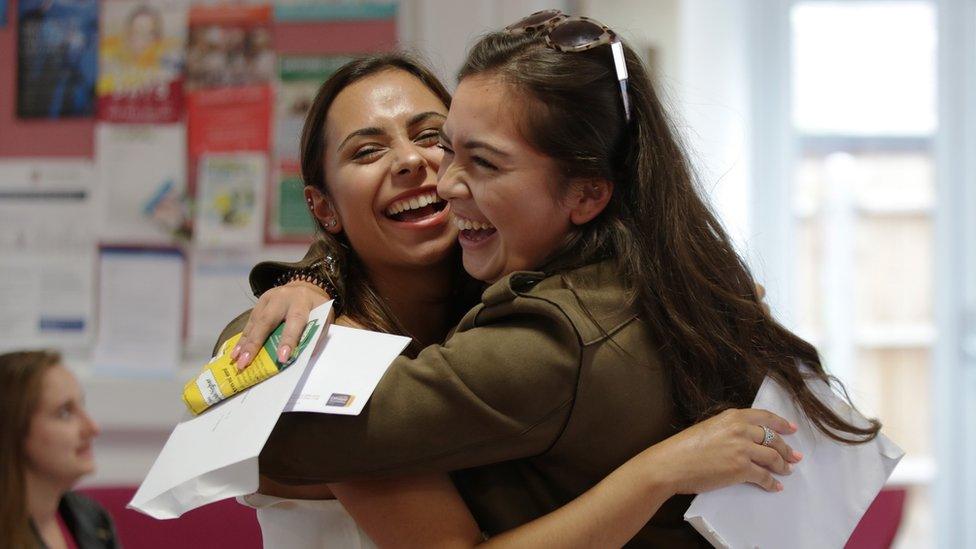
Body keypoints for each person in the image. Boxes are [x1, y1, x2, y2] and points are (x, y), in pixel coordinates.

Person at [222, 11, 879, 546]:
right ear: (322, 206)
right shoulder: (650, 274)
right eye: (367, 150)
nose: (432, 172)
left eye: (449, 145)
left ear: (587, 193)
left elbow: (262, 429)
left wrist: (650, 475)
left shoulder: (542, 328)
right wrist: (312, 277)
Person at [0, 350, 120, 549]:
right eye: (64, 412)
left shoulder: (93, 519)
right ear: (13, 429)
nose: (92, 428)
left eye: (82, 406)